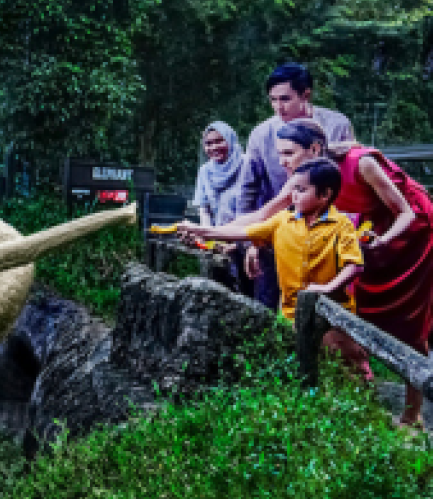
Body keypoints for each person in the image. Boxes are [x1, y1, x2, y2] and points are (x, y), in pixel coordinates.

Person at [181, 158, 366, 374]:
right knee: (300, 369)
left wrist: (328, 288)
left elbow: (354, 265)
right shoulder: (282, 221)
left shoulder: (341, 225)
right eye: (293, 188)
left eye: (301, 189)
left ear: (325, 195)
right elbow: (244, 232)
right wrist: (201, 231)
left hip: (333, 315)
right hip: (291, 314)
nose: (293, 195)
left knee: (349, 369)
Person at [326, 141, 433, 428]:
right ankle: (361, 397)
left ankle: (413, 414)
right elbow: (271, 214)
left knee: (411, 322)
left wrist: (383, 242)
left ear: (313, 149)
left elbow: (406, 212)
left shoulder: (361, 163)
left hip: (410, 232)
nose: (282, 160)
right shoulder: (304, 176)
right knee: (356, 306)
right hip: (370, 229)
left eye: (288, 152)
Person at [236, 63, 354, 309]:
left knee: (329, 307)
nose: (279, 107)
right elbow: (248, 191)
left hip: (328, 233)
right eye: (273, 100)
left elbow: (351, 179)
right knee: (271, 308)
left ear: (306, 94)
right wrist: (251, 244)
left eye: (286, 99)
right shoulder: (261, 135)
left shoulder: (336, 126)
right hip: (279, 232)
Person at [194, 122, 244, 227]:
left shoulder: (248, 164)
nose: (214, 147)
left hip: (248, 233)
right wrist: (208, 234)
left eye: (219, 141)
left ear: (230, 140)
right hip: (219, 235)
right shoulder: (205, 171)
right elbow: (204, 210)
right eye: (208, 143)